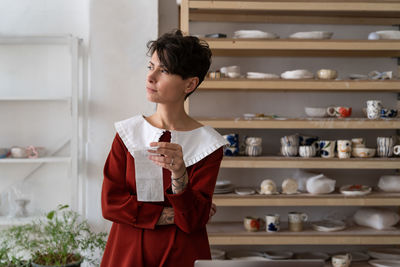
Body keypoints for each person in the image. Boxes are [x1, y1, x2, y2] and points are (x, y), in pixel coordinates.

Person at [100, 29, 228, 267]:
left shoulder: (207, 144)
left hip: (182, 255)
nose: (151, 77)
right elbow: (110, 204)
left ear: (189, 84)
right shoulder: (127, 134)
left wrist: (180, 175)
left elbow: (191, 221)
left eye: (164, 70)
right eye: (151, 67)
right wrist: (163, 216)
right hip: (127, 253)